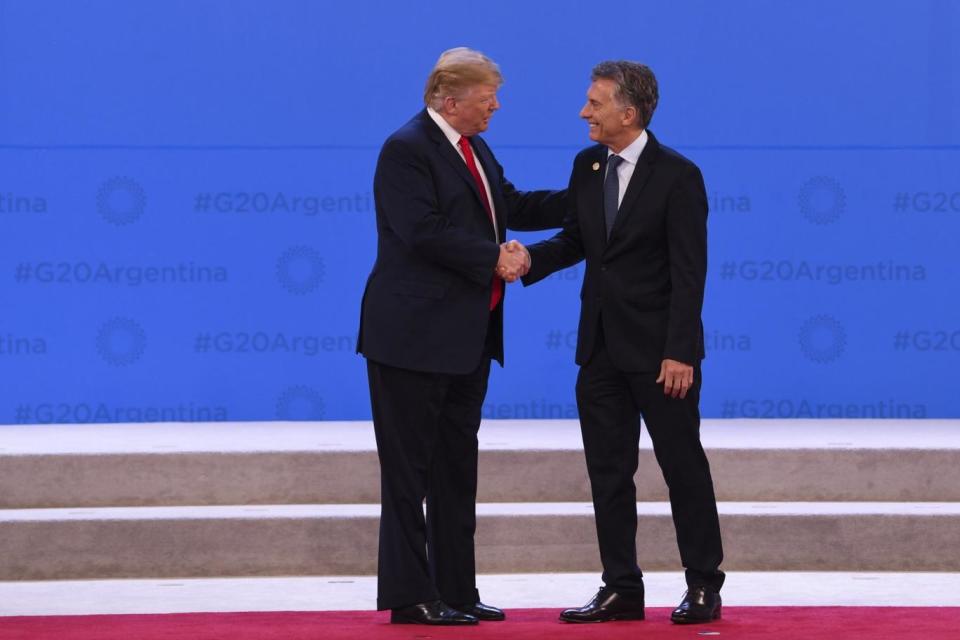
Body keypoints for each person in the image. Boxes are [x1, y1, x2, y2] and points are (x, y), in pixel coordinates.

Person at [357, 47, 564, 626]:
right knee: (409, 473)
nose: (495, 106)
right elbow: (421, 232)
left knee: (454, 467)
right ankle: (409, 595)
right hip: (411, 338)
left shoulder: (473, 148)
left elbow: (512, 204)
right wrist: (494, 258)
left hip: (467, 338)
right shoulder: (406, 150)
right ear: (450, 101)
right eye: (486, 98)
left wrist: (590, 196)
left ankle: (457, 589)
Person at [517, 60, 724, 624]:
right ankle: (621, 587)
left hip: (663, 356)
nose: (584, 111)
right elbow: (580, 240)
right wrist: (529, 259)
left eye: (594, 102)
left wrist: (680, 349)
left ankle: (704, 584)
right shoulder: (587, 166)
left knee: (683, 468)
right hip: (601, 351)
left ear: (627, 113)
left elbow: (690, 270)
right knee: (608, 473)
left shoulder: (678, 175)